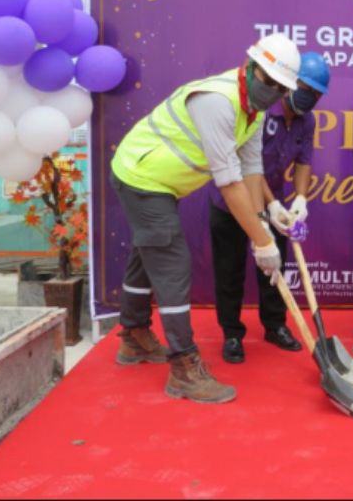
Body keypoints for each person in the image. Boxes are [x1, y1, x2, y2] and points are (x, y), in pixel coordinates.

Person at [109, 33, 300, 404]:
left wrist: (268, 211)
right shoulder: (218, 101)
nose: (273, 91)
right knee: (172, 261)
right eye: (269, 81)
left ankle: (133, 338)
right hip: (141, 176)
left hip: (163, 183)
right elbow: (229, 183)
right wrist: (263, 242)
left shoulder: (254, 111)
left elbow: (251, 169)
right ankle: (183, 366)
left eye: (281, 88)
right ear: (252, 67)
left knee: (148, 254)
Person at [207, 52, 330, 363]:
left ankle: (275, 326)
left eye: (317, 93)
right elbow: (249, 167)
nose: (310, 96)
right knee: (230, 270)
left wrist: (300, 200)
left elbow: (304, 162)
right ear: (290, 83)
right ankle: (232, 333)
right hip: (233, 202)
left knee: (275, 268)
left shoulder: (307, 119)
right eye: (306, 87)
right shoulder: (262, 111)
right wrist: (272, 204)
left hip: (274, 206)